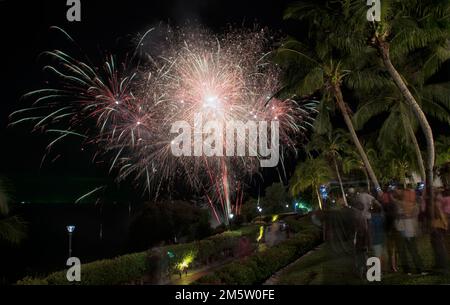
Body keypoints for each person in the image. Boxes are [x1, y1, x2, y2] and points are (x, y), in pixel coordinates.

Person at [391, 186, 426, 275]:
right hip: (401, 230)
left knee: (413, 250)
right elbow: (398, 214)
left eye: (412, 194)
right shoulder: (398, 204)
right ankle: (407, 270)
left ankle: (420, 269)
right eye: (409, 194)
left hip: (410, 231)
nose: (411, 195)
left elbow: (413, 214)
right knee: (403, 252)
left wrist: (405, 213)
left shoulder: (414, 205)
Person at [431, 191, 449, 275]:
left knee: (441, 247)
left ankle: (444, 267)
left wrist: (445, 223)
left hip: (438, 226)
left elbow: (441, 213)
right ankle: (441, 265)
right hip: (438, 226)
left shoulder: (436, 203)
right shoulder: (437, 202)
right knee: (439, 247)